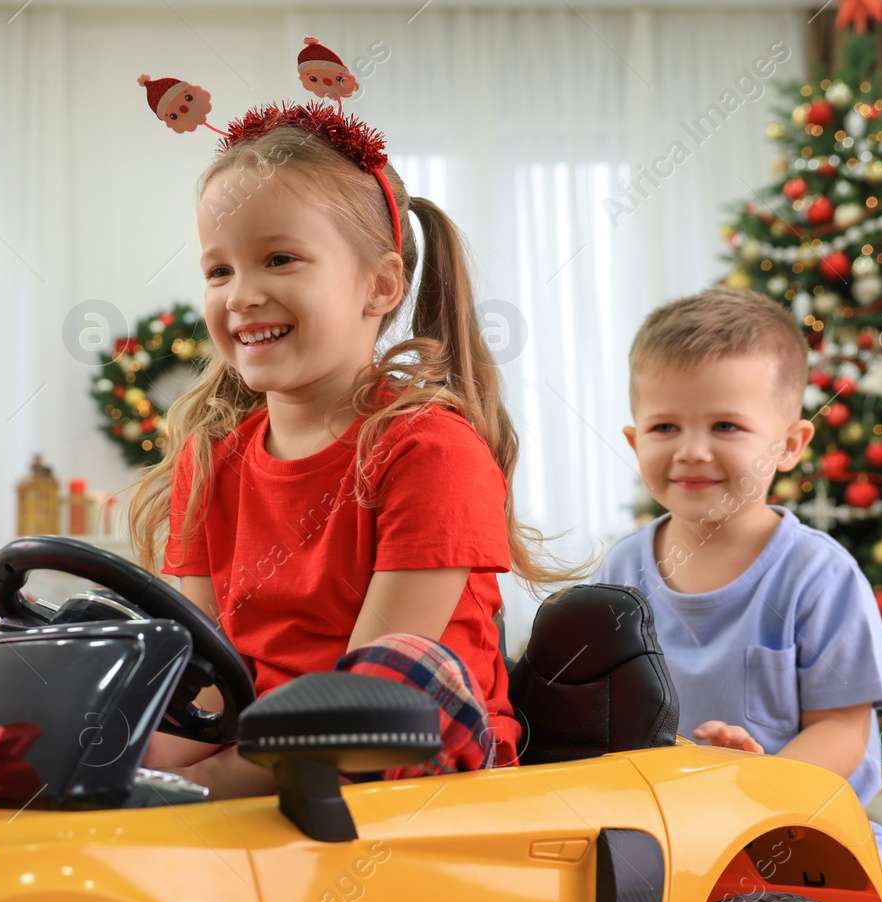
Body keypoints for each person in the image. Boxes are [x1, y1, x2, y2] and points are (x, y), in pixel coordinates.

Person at [126, 47, 583, 799]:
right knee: (120, 699)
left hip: (417, 754)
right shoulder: (209, 461)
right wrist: (131, 758)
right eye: (219, 269)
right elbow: (207, 689)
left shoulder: (430, 450)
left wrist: (202, 781)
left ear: (379, 284)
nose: (241, 295)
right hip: (257, 745)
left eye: (279, 258)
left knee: (404, 677)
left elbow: (369, 706)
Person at [591, 285, 882, 902]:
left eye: (726, 425)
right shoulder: (621, 573)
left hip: (825, 863)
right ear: (633, 441)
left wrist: (755, 785)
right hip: (686, 870)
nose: (692, 448)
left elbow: (843, 730)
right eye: (666, 426)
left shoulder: (817, 573)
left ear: (789, 443)